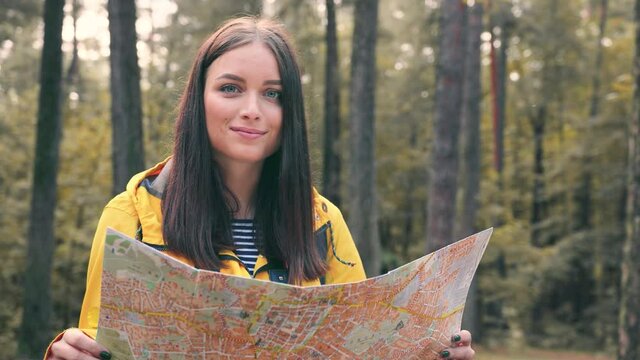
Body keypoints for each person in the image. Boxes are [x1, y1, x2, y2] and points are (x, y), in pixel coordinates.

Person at [45, 17, 475, 360]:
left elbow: (366, 347)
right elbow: (99, 347)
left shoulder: (322, 221)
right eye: (230, 88)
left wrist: (428, 353)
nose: (252, 111)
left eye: (273, 94)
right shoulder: (130, 215)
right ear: (199, 99)